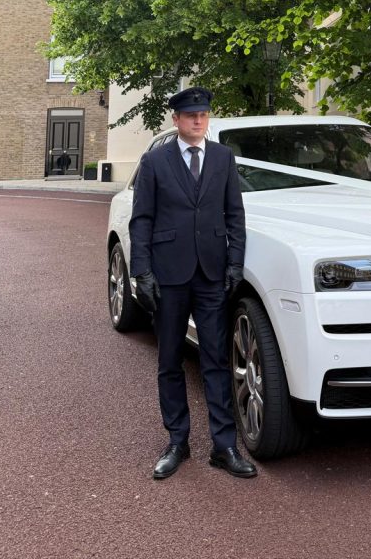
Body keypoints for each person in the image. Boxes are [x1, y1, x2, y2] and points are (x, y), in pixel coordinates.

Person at [130, 86, 257, 480]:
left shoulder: (223, 158)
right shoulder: (154, 161)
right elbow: (142, 220)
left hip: (212, 275)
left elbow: (234, 214)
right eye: (190, 115)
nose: (198, 120)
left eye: (203, 114)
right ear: (176, 120)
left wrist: (235, 263)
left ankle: (224, 447)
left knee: (216, 359)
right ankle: (177, 442)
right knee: (169, 360)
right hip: (168, 276)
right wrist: (142, 272)